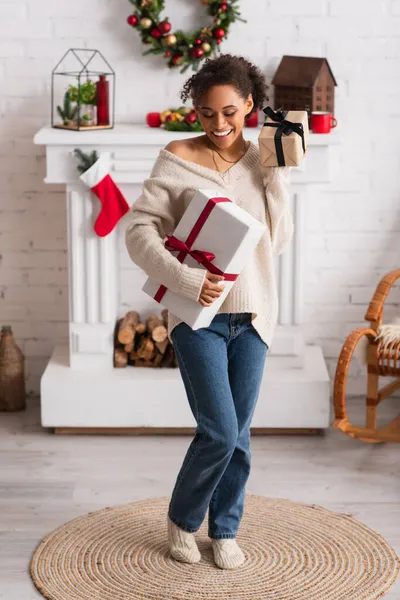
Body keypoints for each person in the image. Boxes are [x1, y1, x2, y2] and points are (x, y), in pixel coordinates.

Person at [125, 54, 293, 570]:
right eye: (205, 113)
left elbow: (278, 242)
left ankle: (224, 529)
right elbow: (138, 231)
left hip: (254, 316)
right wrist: (188, 280)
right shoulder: (177, 157)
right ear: (194, 111)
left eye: (229, 113)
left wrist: (278, 175)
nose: (218, 125)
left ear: (250, 105)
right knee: (219, 429)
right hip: (196, 319)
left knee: (239, 435)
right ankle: (182, 518)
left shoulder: (264, 159)